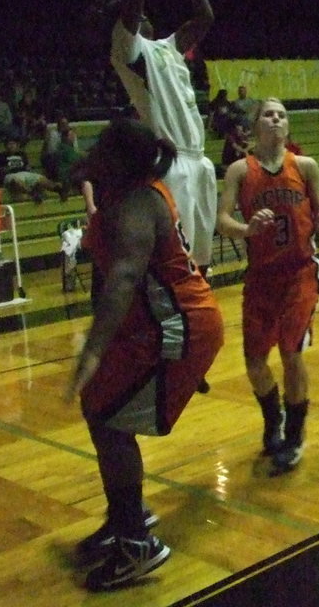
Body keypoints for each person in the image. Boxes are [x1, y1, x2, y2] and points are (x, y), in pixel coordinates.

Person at [64, 118, 223, 591]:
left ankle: (137, 543)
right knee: (98, 409)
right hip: (162, 327)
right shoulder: (118, 192)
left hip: (176, 325)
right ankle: (125, 518)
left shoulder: (136, 201)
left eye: (102, 147)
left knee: (110, 419)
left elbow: (126, 278)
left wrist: (93, 351)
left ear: (118, 158)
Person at [216, 98, 319, 474]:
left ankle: (296, 434)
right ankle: (274, 418)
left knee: (290, 351)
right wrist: (247, 228)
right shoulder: (239, 170)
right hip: (260, 276)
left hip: (299, 270)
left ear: (288, 126)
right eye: (269, 114)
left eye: (282, 115)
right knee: (254, 362)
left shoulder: (305, 166)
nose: (276, 119)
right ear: (256, 126)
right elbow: (222, 220)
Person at [110, 0, 219, 275]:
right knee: (176, 265)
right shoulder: (129, 53)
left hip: (199, 162)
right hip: (172, 165)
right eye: (135, 14)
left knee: (201, 264)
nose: (143, 15)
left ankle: (197, 325)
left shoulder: (169, 47)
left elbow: (205, 18)